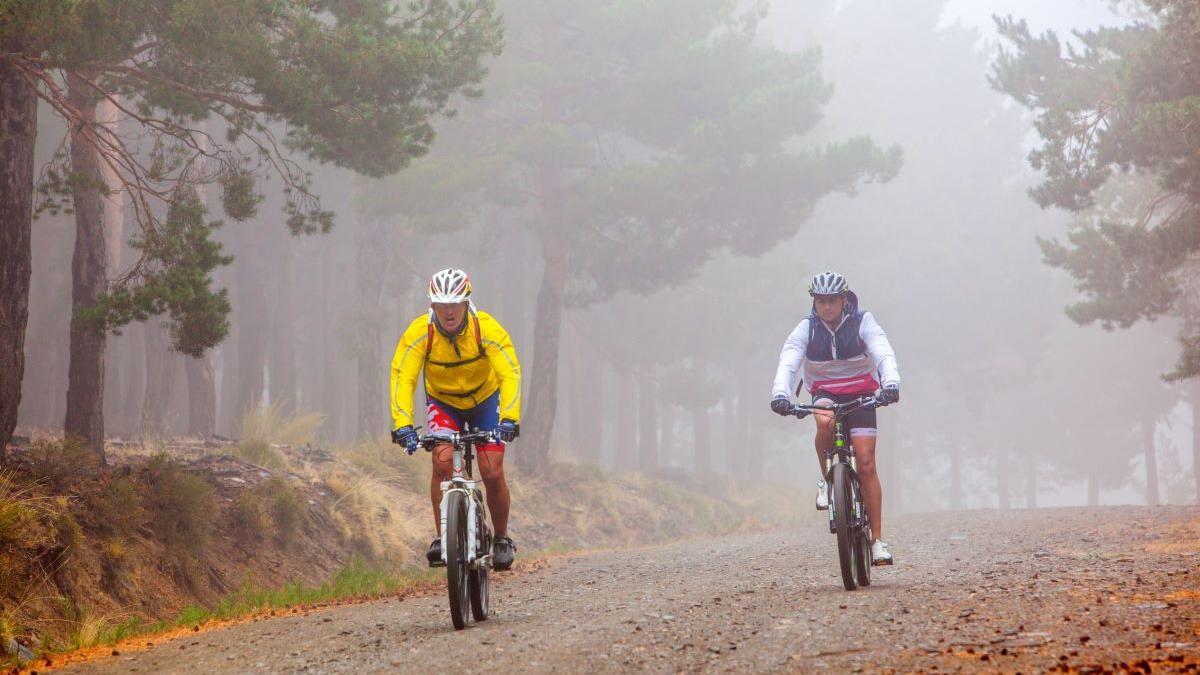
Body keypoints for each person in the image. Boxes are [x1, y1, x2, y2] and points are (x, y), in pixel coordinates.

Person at [390, 268, 522, 570]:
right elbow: (403, 377)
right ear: (432, 305)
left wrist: (509, 419)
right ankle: (443, 536)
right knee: (442, 461)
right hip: (443, 403)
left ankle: (501, 537)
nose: (448, 311)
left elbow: (510, 373)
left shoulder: (486, 328)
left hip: (486, 402)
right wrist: (403, 424)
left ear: (466, 303)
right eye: (441, 304)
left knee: (490, 470)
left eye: (455, 303)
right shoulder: (420, 333)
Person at [770, 271, 900, 565]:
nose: (826, 307)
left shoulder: (863, 322)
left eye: (831, 301)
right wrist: (781, 394)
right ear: (814, 303)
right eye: (820, 301)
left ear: (844, 300)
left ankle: (878, 541)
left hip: (862, 394)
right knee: (825, 422)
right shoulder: (807, 329)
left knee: (866, 462)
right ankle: (829, 481)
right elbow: (789, 361)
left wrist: (890, 384)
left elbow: (883, 353)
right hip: (826, 392)